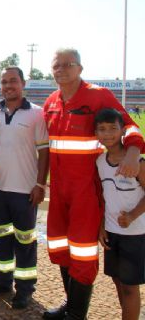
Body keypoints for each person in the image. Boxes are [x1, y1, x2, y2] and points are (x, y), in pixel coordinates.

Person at [43, 48, 144, 320]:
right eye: (57, 65)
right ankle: (70, 303)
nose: (62, 69)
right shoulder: (51, 101)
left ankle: (77, 314)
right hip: (59, 191)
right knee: (61, 248)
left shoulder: (99, 96)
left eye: (68, 64)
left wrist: (134, 152)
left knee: (83, 252)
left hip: (86, 190)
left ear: (80, 68)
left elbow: (130, 126)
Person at [0, 67, 49, 309]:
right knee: (1, 239)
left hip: (25, 190)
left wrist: (40, 184)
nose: (8, 85)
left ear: (23, 83)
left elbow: (44, 152)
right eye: (4, 82)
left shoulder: (36, 114)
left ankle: (25, 289)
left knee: (25, 242)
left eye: (13, 81)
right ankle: (2, 281)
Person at [95, 108, 145, 320]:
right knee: (117, 279)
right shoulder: (99, 162)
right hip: (112, 233)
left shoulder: (137, 162)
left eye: (113, 128)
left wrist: (133, 214)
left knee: (130, 287)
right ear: (96, 134)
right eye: (102, 130)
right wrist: (101, 227)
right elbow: (105, 198)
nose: (107, 134)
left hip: (135, 234)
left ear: (122, 130)